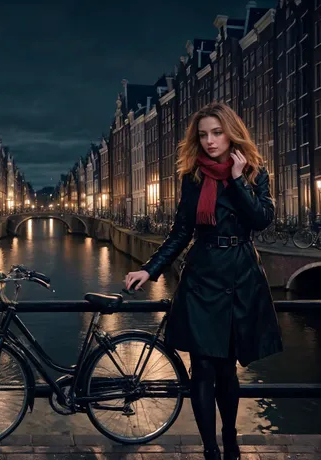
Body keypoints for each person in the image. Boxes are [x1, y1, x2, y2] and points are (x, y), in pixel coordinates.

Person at [124, 102, 283, 460]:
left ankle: (230, 438)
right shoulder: (193, 176)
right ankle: (210, 448)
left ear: (231, 132)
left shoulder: (255, 171)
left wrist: (239, 181)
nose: (210, 141)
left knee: (227, 368)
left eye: (216, 132)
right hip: (202, 277)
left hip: (241, 275)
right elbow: (181, 232)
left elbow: (261, 220)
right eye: (203, 135)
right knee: (203, 368)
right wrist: (150, 269)